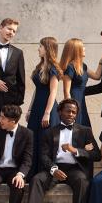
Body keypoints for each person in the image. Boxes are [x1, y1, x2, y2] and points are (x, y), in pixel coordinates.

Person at [25, 99, 97, 203]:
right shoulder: (49, 132)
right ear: (59, 112)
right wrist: (53, 169)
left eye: (74, 112)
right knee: (37, 179)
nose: (71, 114)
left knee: (82, 181)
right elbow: (43, 155)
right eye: (68, 111)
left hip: (75, 169)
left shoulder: (85, 131)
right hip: (55, 167)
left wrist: (76, 151)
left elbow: (96, 155)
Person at [28, 37, 61, 174]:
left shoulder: (54, 68)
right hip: (36, 107)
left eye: (40, 46)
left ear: (47, 48)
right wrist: (30, 108)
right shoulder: (39, 66)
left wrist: (47, 113)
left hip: (48, 108)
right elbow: (37, 90)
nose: (38, 49)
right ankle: (32, 172)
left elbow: (53, 92)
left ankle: (45, 172)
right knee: (33, 138)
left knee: (45, 140)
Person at [60, 38, 99, 127]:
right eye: (82, 47)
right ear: (76, 50)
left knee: (84, 129)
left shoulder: (83, 66)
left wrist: (101, 61)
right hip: (74, 102)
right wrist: (70, 110)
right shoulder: (70, 67)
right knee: (77, 128)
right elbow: (66, 92)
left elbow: (97, 76)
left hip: (81, 102)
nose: (84, 49)